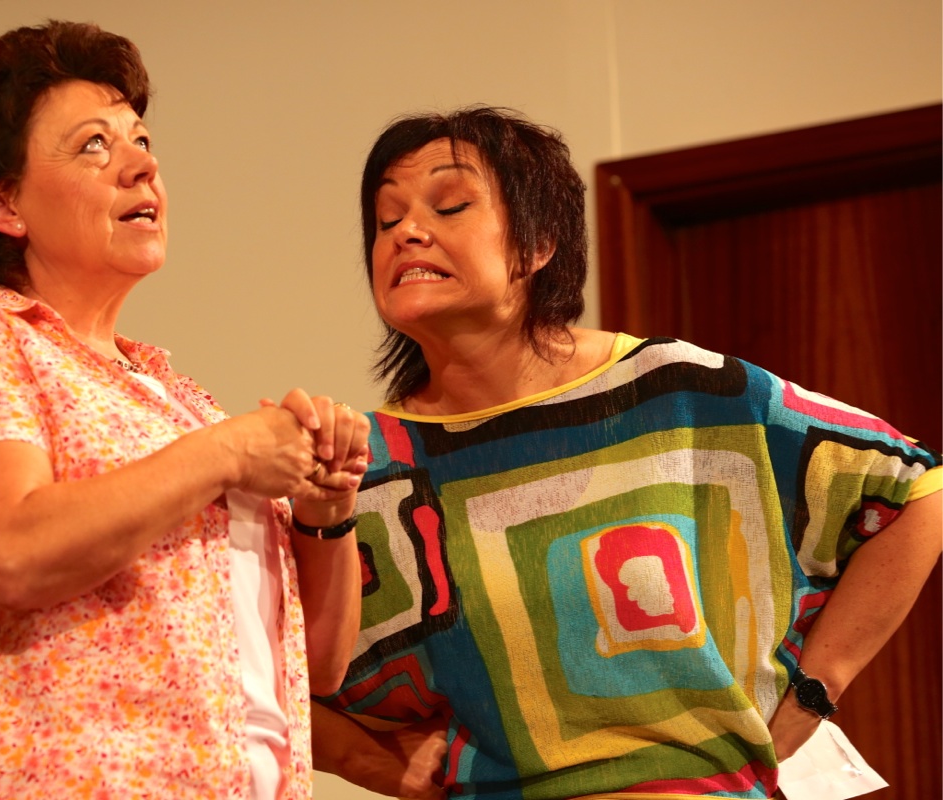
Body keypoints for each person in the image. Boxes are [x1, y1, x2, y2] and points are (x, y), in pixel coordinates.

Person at [311, 106, 942, 800]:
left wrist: (820, 685)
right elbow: (266, 664)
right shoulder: (365, 466)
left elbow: (914, 486)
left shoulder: (677, 391)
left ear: (538, 243)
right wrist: (370, 762)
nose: (407, 231)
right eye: (386, 219)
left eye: (450, 205)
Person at [0, 20, 368, 799]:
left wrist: (325, 510)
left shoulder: (178, 399)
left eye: (141, 140)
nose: (142, 164)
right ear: (2, 202)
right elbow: (8, 550)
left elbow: (311, 668)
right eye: (94, 145)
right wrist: (229, 452)